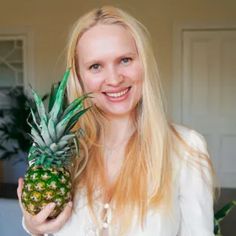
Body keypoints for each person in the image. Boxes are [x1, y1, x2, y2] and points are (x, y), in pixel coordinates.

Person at [17, 5, 216, 236]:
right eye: (95, 66)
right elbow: (43, 226)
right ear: (79, 77)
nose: (113, 79)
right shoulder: (52, 157)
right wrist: (32, 227)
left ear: (144, 63)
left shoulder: (186, 148)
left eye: (125, 60)